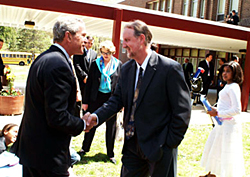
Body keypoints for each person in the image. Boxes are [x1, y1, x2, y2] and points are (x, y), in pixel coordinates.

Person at [85, 20, 191, 177]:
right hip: (132, 147)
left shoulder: (169, 68)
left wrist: (169, 144)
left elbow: (182, 111)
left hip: (159, 148)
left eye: (127, 40)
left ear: (141, 39)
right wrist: (96, 116)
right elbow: (116, 100)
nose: (124, 45)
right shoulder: (126, 69)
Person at [13, 17, 90, 177]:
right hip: (47, 157)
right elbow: (57, 117)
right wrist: (82, 124)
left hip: (34, 154)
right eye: (83, 35)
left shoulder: (44, 58)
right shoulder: (58, 65)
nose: (86, 40)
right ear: (68, 36)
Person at [79, 40, 122, 164]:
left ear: (112, 52)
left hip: (111, 99)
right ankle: (84, 148)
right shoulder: (95, 64)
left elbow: (121, 85)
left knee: (111, 127)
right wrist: (85, 102)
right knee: (91, 124)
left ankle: (110, 154)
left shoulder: (118, 64)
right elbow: (89, 85)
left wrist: (121, 103)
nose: (105, 55)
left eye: (108, 53)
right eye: (103, 53)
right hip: (95, 98)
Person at [200, 61, 245, 177]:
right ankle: (212, 174)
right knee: (216, 149)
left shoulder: (234, 87)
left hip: (228, 126)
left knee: (225, 152)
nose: (224, 74)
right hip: (221, 124)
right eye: (223, 71)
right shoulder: (228, 86)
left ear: (235, 73)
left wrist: (218, 113)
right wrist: (214, 109)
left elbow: (236, 109)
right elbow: (226, 104)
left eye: (228, 71)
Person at [73, 36, 97, 112]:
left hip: (90, 81)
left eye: (91, 43)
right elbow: (77, 65)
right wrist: (84, 76)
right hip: (80, 80)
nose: (90, 45)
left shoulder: (94, 53)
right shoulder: (79, 52)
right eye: (88, 43)